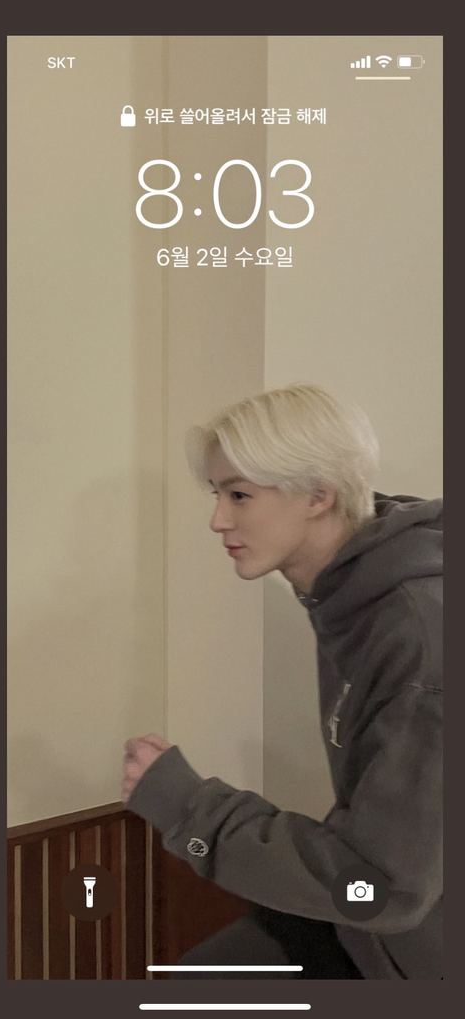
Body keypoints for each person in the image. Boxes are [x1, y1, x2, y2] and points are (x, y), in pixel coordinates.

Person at [124, 382, 442, 979]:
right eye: (218, 494)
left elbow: (385, 887)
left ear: (318, 495)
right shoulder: (350, 599)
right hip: (382, 926)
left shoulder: (417, 635)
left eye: (239, 495)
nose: (218, 519)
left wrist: (191, 808)